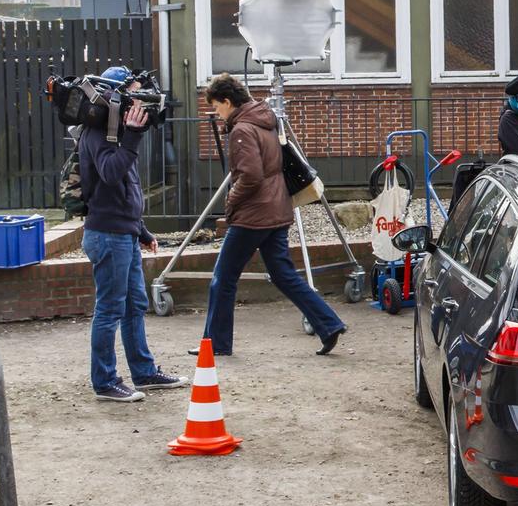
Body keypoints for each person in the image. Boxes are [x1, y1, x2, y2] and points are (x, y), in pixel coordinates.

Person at [201, 73, 348, 358]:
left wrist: (231, 199)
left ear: (228, 102)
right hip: (277, 209)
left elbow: (251, 175)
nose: (217, 114)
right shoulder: (265, 121)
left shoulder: (242, 129)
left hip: (252, 216)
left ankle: (216, 344)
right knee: (283, 274)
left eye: (217, 107)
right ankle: (329, 324)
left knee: (223, 277)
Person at [79, 67, 186, 403]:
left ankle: (143, 371)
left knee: (134, 305)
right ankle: (105, 381)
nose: (141, 103)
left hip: (122, 233)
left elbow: (126, 189)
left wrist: (141, 230)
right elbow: (111, 174)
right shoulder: (98, 133)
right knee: (110, 309)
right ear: (117, 97)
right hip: (107, 235)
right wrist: (134, 136)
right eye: (135, 95)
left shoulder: (118, 133)